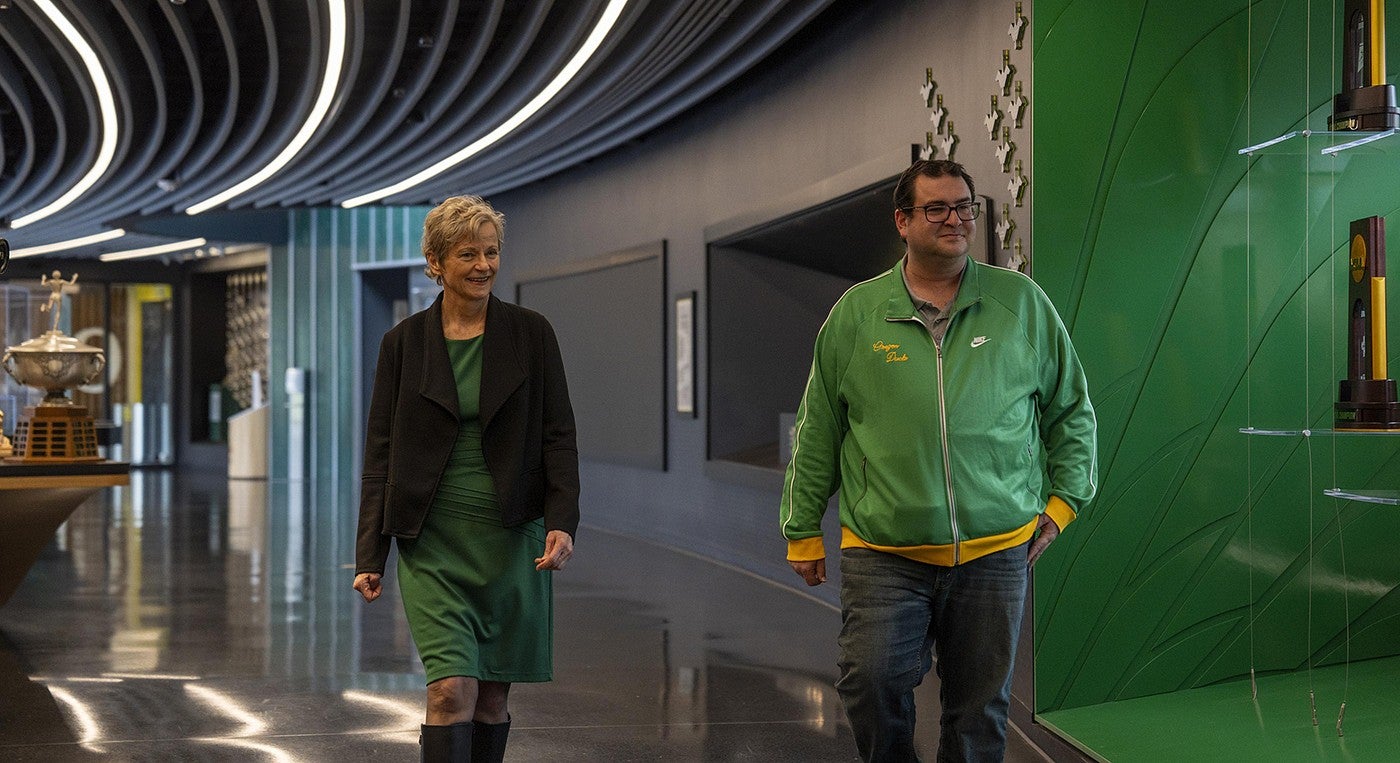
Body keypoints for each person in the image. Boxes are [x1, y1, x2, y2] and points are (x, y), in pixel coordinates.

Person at [779, 159, 1097, 762]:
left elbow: (1071, 410)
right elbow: (818, 427)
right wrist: (801, 530)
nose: (955, 219)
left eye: (964, 207)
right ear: (903, 221)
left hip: (996, 548)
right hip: (883, 551)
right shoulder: (857, 315)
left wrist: (1062, 504)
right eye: (937, 208)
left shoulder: (1021, 305)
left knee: (980, 709)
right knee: (870, 683)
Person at [354, 195, 579, 762]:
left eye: (492, 252)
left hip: (510, 534)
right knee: (451, 689)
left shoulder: (531, 333)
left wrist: (562, 521)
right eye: (467, 254)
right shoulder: (402, 344)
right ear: (435, 262)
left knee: (492, 696)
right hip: (432, 538)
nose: (484, 265)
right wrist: (369, 554)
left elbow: (558, 434)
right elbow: (380, 451)